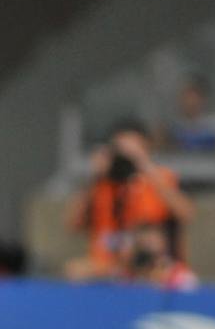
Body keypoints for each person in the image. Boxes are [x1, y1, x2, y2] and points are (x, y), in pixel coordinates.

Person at [64, 119, 195, 282]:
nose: (126, 155)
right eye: (121, 150)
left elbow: (186, 214)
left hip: (152, 268)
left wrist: (143, 163)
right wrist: (94, 176)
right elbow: (72, 225)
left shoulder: (161, 178)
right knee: (75, 271)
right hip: (107, 269)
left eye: (133, 148)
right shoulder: (101, 184)